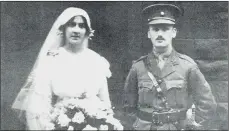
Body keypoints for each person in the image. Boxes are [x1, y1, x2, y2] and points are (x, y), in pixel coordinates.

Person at [11, 7, 123, 130]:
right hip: (60, 126)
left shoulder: (96, 60)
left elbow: (105, 103)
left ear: (87, 31)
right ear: (63, 29)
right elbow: (39, 105)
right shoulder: (52, 59)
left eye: (81, 26)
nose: (76, 30)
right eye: (71, 25)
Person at [123, 2, 217, 130]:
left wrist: (193, 127)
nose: (160, 34)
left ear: (174, 32)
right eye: (155, 29)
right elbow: (128, 106)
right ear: (149, 33)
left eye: (165, 29)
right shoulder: (138, 67)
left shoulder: (187, 66)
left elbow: (207, 105)